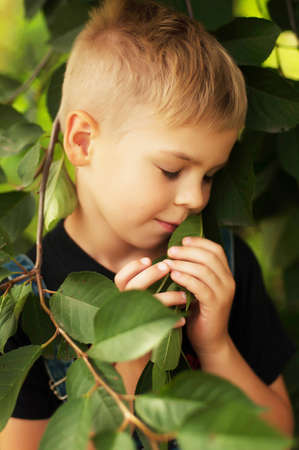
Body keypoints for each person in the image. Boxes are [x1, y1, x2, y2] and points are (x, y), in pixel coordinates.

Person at [1, 0, 296, 448]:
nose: (196, 198)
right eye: (171, 170)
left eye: (211, 176)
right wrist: (124, 362)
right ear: (83, 142)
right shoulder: (22, 308)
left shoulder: (224, 271)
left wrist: (215, 345)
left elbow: (273, 436)